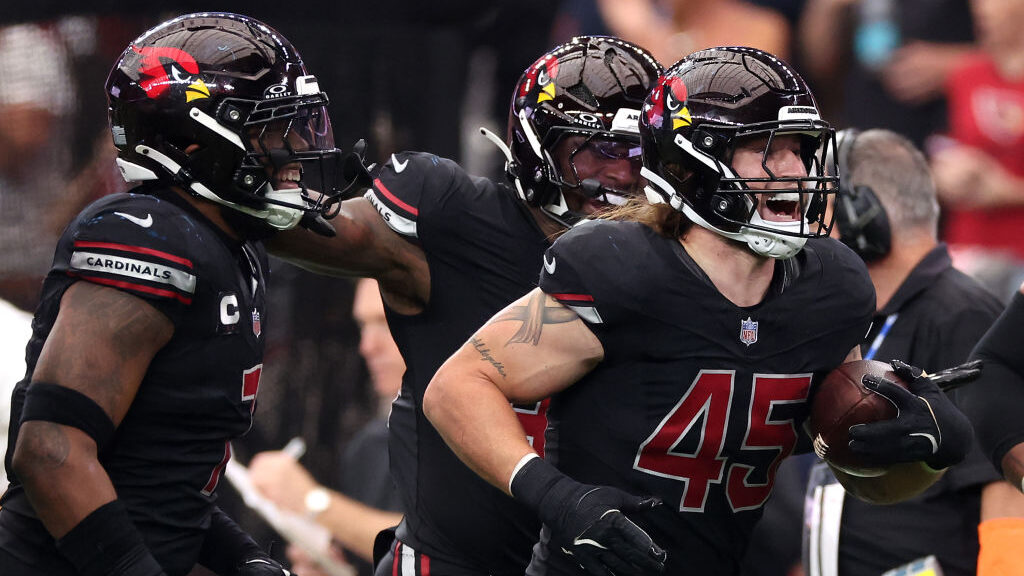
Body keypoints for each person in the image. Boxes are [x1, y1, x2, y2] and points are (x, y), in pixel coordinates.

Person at [422, 46, 977, 576]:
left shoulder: (830, 288)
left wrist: (925, 451)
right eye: (767, 148)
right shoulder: (620, 268)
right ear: (694, 162)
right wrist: (557, 497)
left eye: (799, 148)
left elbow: (860, 481)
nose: (792, 167)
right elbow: (457, 388)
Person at [267, 35, 662, 576]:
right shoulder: (456, 220)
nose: (623, 173)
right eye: (599, 149)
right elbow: (301, 229)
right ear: (539, 146)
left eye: (639, 151)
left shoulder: (677, 254)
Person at [0, 12, 365, 576]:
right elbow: (51, 452)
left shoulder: (232, 246)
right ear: (196, 144)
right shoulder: (146, 235)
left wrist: (246, 561)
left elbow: (167, 487)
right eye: (270, 129)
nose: (294, 151)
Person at [798, 128, 1013, 576]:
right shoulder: (859, 315)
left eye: (820, 207)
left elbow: (1005, 485)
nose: (806, 226)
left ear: (864, 215)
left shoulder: (962, 314)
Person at [249, 278, 405, 576]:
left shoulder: (468, 442)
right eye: (362, 326)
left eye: (386, 324)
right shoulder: (368, 448)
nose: (367, 346)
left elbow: (439, 551)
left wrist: (311, 500)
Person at [929, 0, 1024, 301]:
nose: (984, 10)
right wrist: (942, 177)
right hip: (969, 245)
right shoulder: (967, 76)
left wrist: (1008, 191)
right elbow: (948, 147)